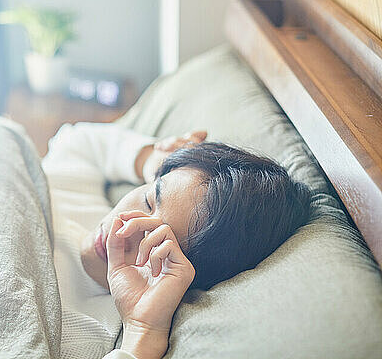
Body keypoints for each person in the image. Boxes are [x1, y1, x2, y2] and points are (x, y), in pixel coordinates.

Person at [41, 122, 311, 359]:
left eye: (156, 244)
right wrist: (149, 159)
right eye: (149, 198)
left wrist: (142, 333)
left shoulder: (90, 336)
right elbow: (75, 141)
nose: (124, 230)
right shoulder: (74, 196)